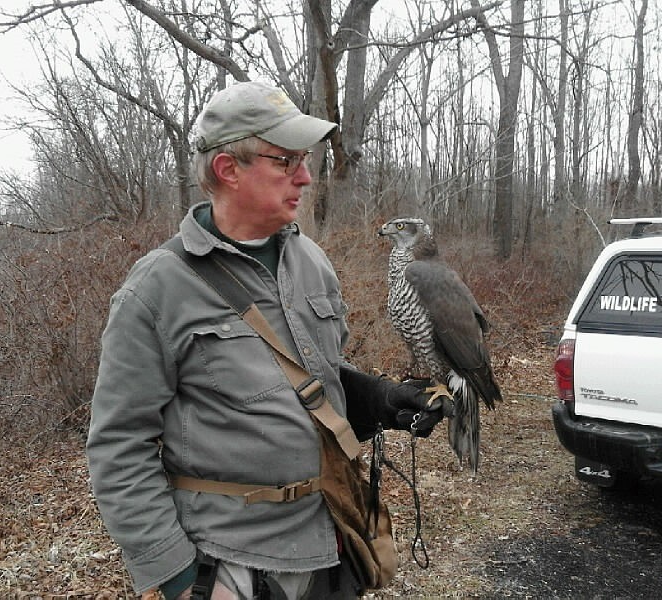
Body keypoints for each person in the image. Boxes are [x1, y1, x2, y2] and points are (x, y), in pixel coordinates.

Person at [86, 81, 442, 600]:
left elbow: (308, 379)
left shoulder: (310, 260)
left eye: (306, 160)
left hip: (329, 542)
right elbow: (119, 445)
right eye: (286, 162)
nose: (306, 177)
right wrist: (176, 577)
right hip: (232, 561)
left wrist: (382, 400)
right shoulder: (156, 289)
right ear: (228, 170)